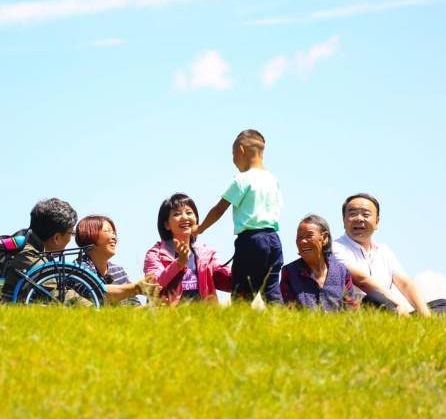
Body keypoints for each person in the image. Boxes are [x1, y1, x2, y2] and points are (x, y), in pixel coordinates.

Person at [194, 129, 284, 303]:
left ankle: (239, 328)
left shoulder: (242, 179)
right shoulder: (273, 180)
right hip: (274, 241)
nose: (234, 161)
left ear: (241, 150)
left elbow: (219, 209)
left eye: (233, 155)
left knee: (242, 295)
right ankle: (281, 326)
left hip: (251, 241)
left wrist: (201, 228)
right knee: (272, 293)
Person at [331, 193, 446, 316]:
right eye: (352, 214)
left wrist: (426, 315)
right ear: (343, 220)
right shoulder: (334, 248)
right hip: (359, 312)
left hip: (394, 311)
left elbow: (405, 284)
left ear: (377, 222)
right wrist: (398, 305)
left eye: (366, 214)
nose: (359, 218)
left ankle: (414, 325)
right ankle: (409, 324)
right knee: (374, 297)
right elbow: (362, 280)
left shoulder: (384, 250)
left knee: (444, 305)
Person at [143, 193, 232, 305]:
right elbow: (154, 285)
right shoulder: (156, 254)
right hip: (169, 319)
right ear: (166, 225)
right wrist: (180, 262)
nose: (185, 217)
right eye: (177, 214)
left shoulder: (205, 254)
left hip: (204, 318)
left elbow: (229, 281)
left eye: (189, 213)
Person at [0, 197, 78, 303]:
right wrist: (94, 308)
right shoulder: (27, 255)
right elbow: (55, 293)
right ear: (56, 238)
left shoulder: (23, 247)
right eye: (71, 233)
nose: (71, 239)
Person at [280, 215, 357, 312]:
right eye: (299, 237)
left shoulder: (341, 271)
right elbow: (286, 310)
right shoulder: (289, 272)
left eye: (309, 236)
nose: (303, 241)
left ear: (324, 238)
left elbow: (350, 309)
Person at [75, 215, 153, 306]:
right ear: (90, 235)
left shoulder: (118, 271)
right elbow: (96, 294)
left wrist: (152, 307)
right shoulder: (77, 269)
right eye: (108, 231)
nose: (114, 237)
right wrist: (136, 289)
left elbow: (134, 306)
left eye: (114, 233)